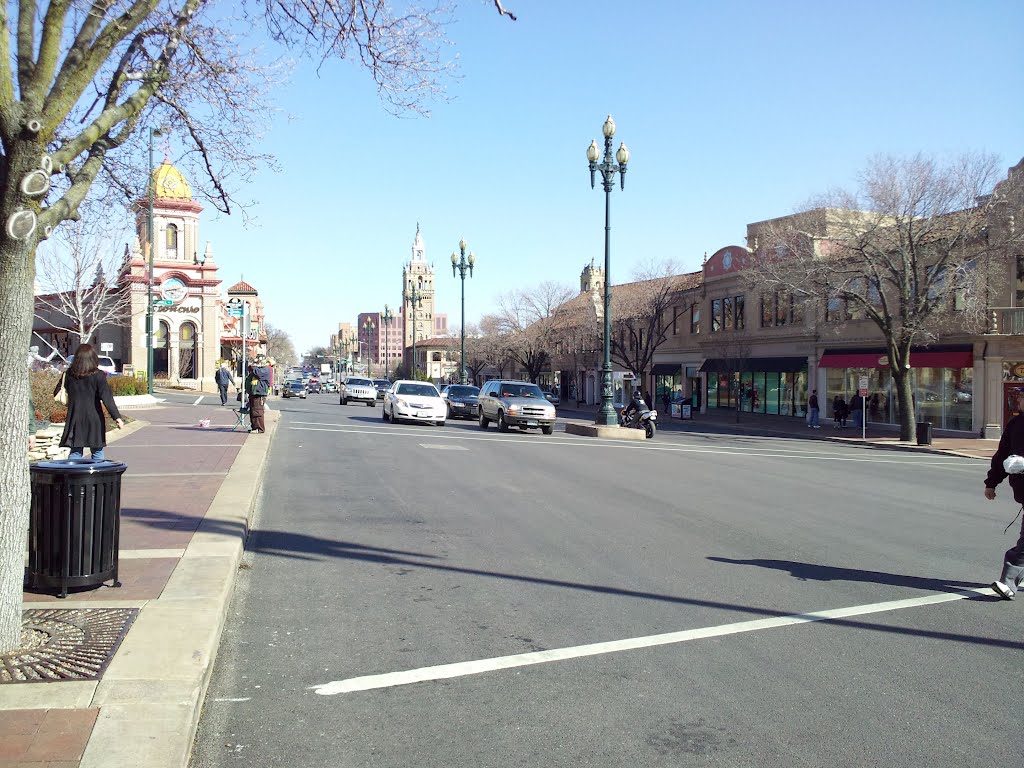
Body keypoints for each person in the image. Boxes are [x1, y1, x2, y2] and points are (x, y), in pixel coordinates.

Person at [984, 392, 1024, 599]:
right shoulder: (1015, 424)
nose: (1019, 400)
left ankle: (1009, 581)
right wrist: (991, 483)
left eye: (1022, 397)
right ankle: (1008, 582)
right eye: (1019, 397)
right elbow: (1002, 454)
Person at [54, 343, 123, 459]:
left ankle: (73, 476)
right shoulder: (99, 375)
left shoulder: (69, 374)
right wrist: (117, 417)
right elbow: (107, 398)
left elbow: (56, 392)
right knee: (97, 451)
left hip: (75, 417)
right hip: (94, 418)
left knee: (75, 451)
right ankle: (97, 476)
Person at [245, 357, 272, 433]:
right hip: (254, 393)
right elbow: (251, 369)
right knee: (253, 411)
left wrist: (254, 365)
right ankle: (254, 427)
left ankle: (259, 428)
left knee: (257, 411)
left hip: (259, 393)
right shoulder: (258, 369)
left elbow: (257, 372)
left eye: (258, 362)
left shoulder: (266, 369)